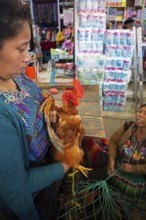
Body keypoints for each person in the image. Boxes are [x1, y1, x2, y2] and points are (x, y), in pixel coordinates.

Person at [0, 0, 70, 219]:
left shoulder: (17, 76)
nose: (28, 56)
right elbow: (18, 187)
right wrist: (65, 165)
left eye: (28, 47)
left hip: (47, 181)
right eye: (21, 49)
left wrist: (47, 114)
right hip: (28, 203)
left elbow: (34, 104)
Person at [108, 104, 146, 219]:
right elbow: (113, 141)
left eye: (145, 114)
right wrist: (112, 158)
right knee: (113, 206)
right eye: (140, 111)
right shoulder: (128, 126)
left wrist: (133, 168)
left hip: (136, 186)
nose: (141, 115)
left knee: (130, 214)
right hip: (117, 176)